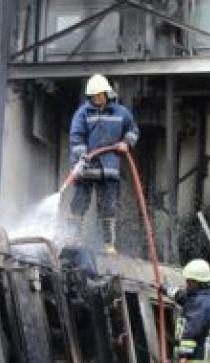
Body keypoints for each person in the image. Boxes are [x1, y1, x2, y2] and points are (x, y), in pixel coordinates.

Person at [66, 74, 140, 254]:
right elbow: (76, 136)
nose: (97, 98)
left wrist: (126, 143)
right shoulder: (82, 114)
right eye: (94, 96)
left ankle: (108, 244)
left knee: (108, 208)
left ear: (107, 93)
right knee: (78, 205)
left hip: (109, 169)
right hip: (86, 168)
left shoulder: (121, 113)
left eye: (100, 95)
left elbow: (133, 130)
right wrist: (82, 155)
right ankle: (75, 238)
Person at [169, 259, 210, 363]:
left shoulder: (203, 304)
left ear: (198, 283)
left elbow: (192, 331)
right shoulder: (201, 298)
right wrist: (164, 289)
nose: (187, 285)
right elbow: (183, 297)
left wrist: (183, 355)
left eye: (189, 282)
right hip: (195, 362)